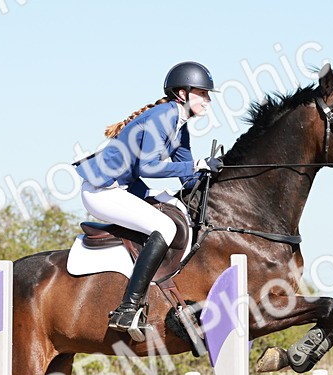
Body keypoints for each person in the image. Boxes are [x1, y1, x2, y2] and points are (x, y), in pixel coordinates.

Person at [75, 61, 223, 339]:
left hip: (126, 189)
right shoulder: (163, 116)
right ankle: (127, 308)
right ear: (182, 93)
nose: (207, 100)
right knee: (165, 228)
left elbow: (187, 178)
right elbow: (149, 167)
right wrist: (197, 165)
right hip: (102, 191)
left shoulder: (181, 127)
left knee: (176, 207)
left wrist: (212, 178)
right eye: (202, 93)